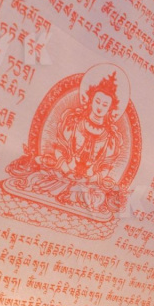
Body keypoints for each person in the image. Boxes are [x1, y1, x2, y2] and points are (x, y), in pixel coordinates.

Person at [30, 71, 124, 212]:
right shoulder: (73, 121)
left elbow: (106, 166)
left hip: (89, 185)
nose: (99, 107)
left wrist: (94, 177)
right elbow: (59, 147)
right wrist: (66, 167)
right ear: (91, 100)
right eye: (97, 101)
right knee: (40, 178)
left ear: (110, 109)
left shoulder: (111, 137)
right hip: (63, 174)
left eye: (105, 105)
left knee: (99, 198)